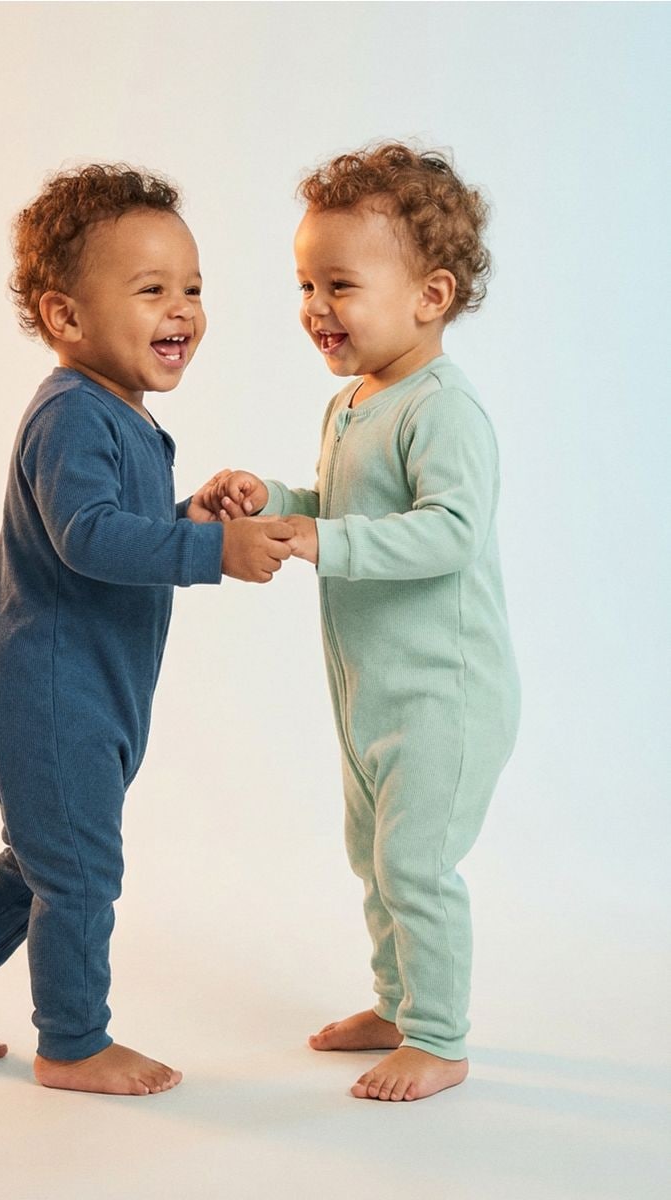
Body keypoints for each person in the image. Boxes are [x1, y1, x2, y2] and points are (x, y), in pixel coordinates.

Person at [0, 164, 294, 1096]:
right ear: (65, 316)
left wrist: (190, 518)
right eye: (151, 290)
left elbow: (118, 535)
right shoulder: (73, 413)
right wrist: (213, 552)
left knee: (49, 858)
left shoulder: (121, 416)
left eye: (193, 288)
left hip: (82, 693)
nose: (181, 309)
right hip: (47, 693)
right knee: (80, 875)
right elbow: (89, 537)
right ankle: (73, 1043)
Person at [202, 143, 521, 1102]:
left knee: (415, 865)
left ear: (430, 296)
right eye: (306, 285)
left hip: (442, 697)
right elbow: (342, 506)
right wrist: (277, 499)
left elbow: (449, 533)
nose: (315, 307)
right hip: (367, 697)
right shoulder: (352, 404)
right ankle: (396, 1003)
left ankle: (440, 1038)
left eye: (340, 285)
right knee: (374, 861)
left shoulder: (443, 409)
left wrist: (320, 538)